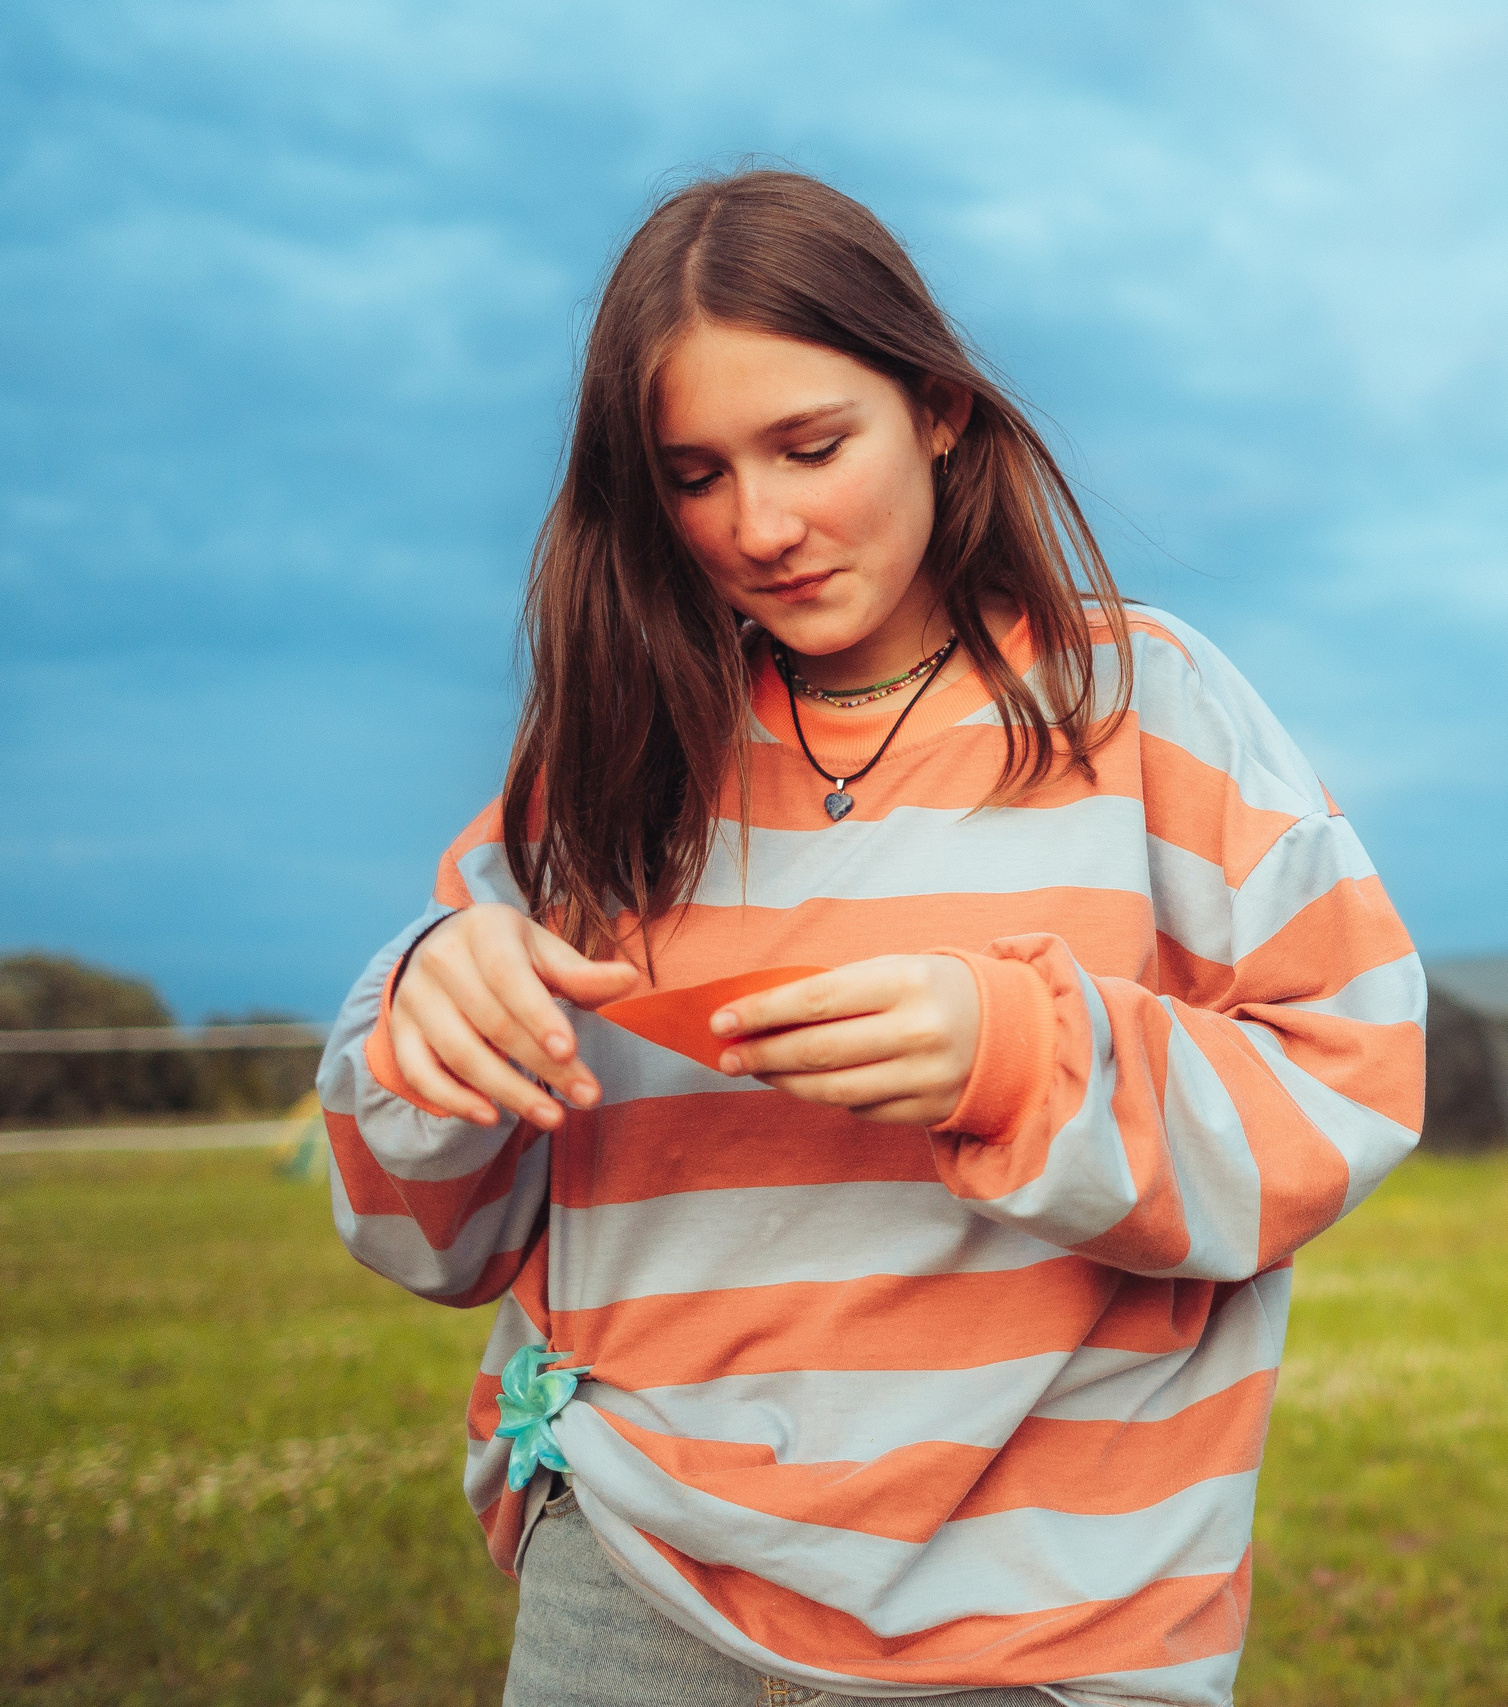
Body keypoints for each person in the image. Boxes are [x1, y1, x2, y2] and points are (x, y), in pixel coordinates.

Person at [316, 169, 1424, 1707]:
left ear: (939, 409)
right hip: (625, 1591)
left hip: (1045, 1625)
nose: (760, 526)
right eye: (694, 474)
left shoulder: (1144, 703)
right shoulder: (606, 757)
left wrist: (1022, 1055)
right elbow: (429, 1236)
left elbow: (1350, 1087)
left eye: (811, 446)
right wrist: (427, 1023)